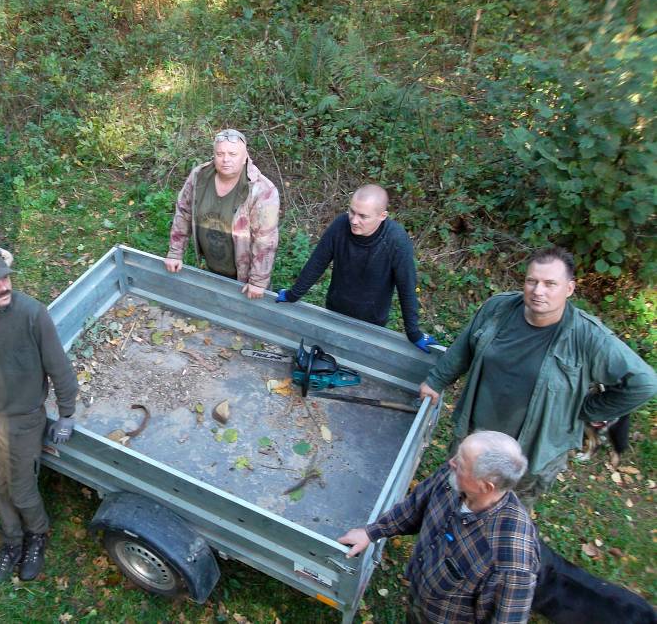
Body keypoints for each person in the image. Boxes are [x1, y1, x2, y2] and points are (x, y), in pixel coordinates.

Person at [418, 246, 657, 504]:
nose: (538, 291)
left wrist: (586, 410)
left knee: (503, 510)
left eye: (550, 284)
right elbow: (465, 347)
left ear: (569, 288)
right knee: (456, 492)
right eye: (532, 281)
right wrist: (436, 380)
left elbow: (643, 383)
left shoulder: (588, 337)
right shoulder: (499, 308)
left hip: (530, 452)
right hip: (476, 436)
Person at [0, 250, 78, 584]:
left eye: (5, 278)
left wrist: (66, 413)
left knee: (21, 490)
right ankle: (12, 540)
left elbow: (59, 368)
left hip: (22, 419)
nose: (3, 286)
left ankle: (37, 534)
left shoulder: (32, 314)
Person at [338, 431, 539, 624]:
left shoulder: (511, 563)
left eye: (461, 464)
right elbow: (414, 507)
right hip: (420, 599)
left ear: (486, 486)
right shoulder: (453, 478)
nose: (451, 462)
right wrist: (371, 532)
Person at [275, 185, 436, 352]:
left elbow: (406, 286)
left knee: (357, 359)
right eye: (352, 212)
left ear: (382, 216)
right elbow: (317, 262)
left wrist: (414, 333)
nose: (354, 220)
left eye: (363, 216)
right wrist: (293, 294)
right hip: (335, 309)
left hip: (372, 320)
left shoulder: (396, 240)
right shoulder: (341, 225)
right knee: (328, 355)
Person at [164, 128, 280, 299]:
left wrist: (258, 281)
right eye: (220, 154)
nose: (226, 159)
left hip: (245, 279)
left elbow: (265, 240)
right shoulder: (199, 176)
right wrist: (175, 252)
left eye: (233, 154)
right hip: (211, 268)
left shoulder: (262, 190)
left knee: (244, 314)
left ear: (245, 157)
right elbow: (183, 213)